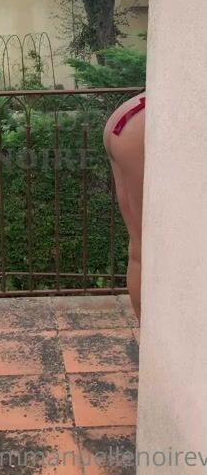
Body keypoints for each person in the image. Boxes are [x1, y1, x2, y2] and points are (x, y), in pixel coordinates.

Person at [103, 92, 146, 323]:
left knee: (140, 248)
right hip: (138, 124)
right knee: (144, 248)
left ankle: (148, 337)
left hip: (126, 118)